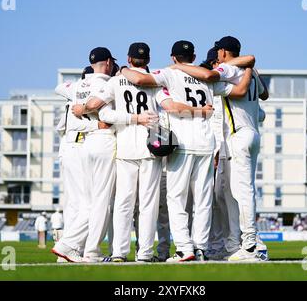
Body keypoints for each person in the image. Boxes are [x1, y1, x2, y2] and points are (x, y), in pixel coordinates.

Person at [83, 42, 213, 262]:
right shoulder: (155, 83)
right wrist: (200, 111)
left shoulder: (116, 81)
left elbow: (95, 105)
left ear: (128, 59)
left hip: (125, 149)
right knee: (148, 205)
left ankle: (119, 253)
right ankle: (144, 253)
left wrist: (82, 107)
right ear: (149, 60)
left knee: (123, 204)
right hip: (151, 148)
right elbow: (171, 106)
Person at [119, 40, 224, 262]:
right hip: (206, 143)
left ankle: (184, 249)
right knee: (203, 200)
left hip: (183, 145)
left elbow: (139, 79)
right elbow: (234, 88)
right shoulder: (206, 76)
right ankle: (201, 248)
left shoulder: (169, 73)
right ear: (194, 57)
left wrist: (123, 69)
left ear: (173, 57)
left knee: (176, 198)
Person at [170, 36, 269, 262]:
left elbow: (209, 75)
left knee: (242, 192)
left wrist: (178, 66)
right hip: (251, 133)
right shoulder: (249, 72)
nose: (216, 58)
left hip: (238, 136)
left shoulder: (228, 69)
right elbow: (264, 95)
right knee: (234, 193)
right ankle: (238, 243)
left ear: (224, 52)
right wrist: (251, 71)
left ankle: (252, 245)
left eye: (218, 53)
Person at [52, 47, 117, 263]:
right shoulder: (108, 84)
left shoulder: (77, 86)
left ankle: (74, 249)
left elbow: (59, 87)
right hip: (95, 141)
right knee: (96, 203)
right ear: (108, 62)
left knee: (78, 203)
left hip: (79, 147)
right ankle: (72, 246)